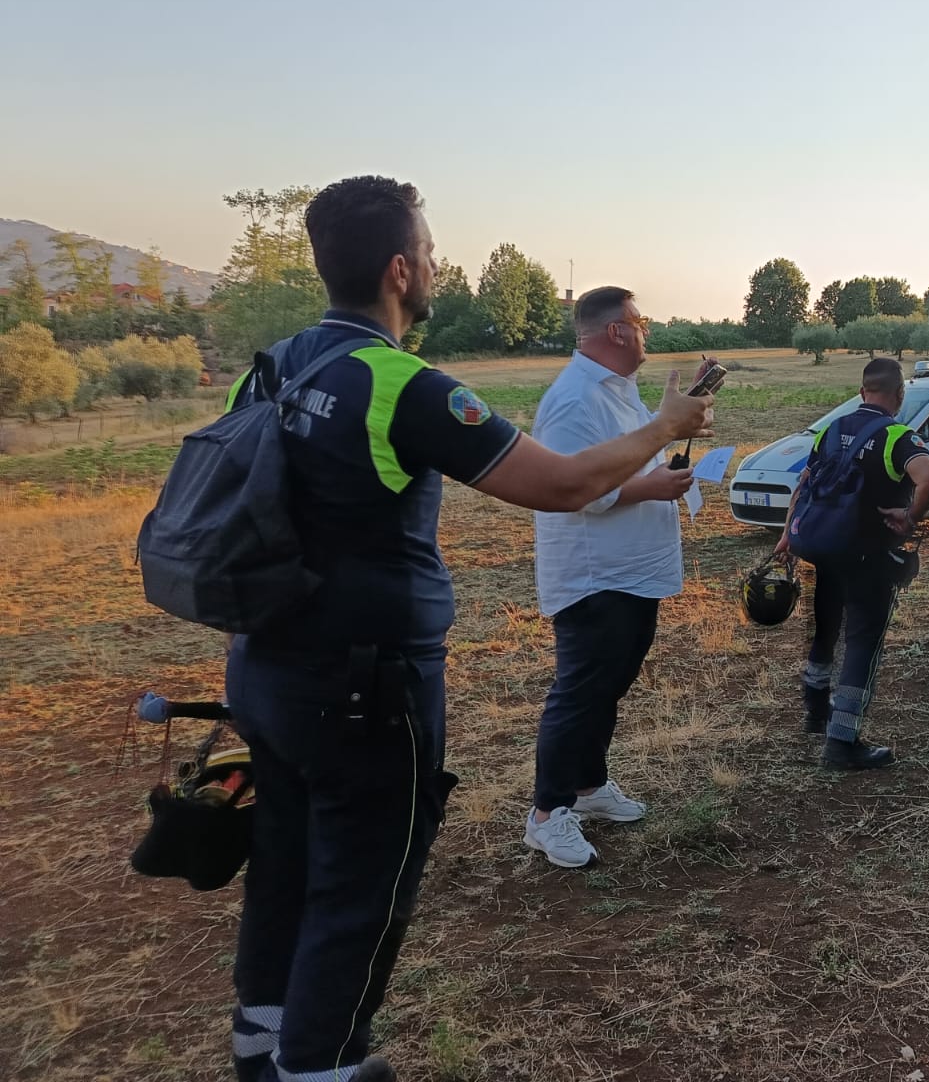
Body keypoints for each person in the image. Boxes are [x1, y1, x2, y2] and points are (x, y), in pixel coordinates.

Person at [223, 176, 713, 1082]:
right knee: (361, 890)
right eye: (435, 250)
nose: (442, 263)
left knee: (282, 870)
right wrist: (667, 428)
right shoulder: (399, 382)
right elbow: (563, 486)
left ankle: (261, 1055)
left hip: (264, 670)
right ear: (401, 271)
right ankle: (325, 1067)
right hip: (366, 692)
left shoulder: (280, 360)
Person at [522, 287, 711, 868]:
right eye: (641, 322)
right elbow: (570, 489)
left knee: (609, 684)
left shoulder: (621, 393)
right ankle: (548, 813)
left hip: (633, 567)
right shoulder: (575, 400)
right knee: (580, 691)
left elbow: (632, 456)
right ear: (616, 332)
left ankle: (588, 786)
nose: (646, 333)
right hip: (594, 573)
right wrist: (651, 486)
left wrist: (674, 434)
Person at [775, 357, 929, 769]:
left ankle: (816, 711)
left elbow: (805, 483)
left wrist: (786, 534)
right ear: (899, 395)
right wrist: (909, 517)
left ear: (862, 390)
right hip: (868, 556)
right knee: (863, 643)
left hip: (826, 548)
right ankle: (842, 743)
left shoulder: (833, 430)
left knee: (826, 628)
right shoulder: (896, 436)